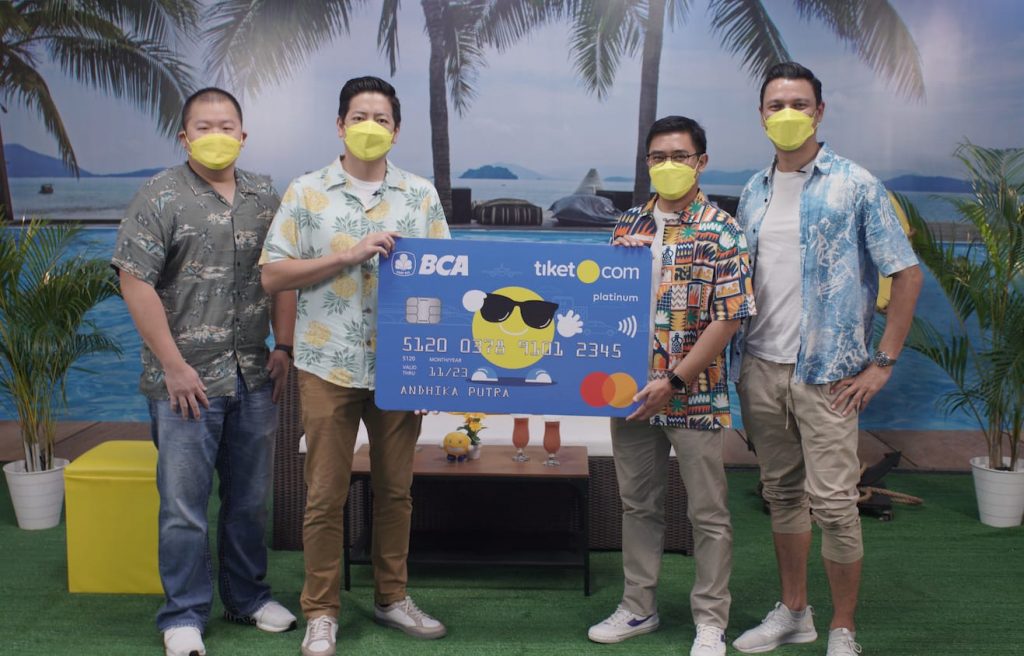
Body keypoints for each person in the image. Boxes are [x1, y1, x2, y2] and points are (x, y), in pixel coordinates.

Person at [730, 62, 923, 656]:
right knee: (782, 495)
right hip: (761, 367)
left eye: (798, 104)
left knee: (837, 506)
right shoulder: (753, 191)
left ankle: (843, 628)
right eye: (776, 105)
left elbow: (906, 273)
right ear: (761, 115)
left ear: (819, 111)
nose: (786, 114)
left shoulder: (856, 185)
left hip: (829, 376)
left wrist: (882, 363)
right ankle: (795, 612)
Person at [259, 76, 450, 656]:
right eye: (360, 117)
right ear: (340, 125)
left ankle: (392, 597)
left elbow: (446, 281)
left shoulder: (419, 195)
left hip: (400, 368)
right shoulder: (306, 192)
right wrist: (347, 255)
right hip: (327, 364)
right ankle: (321, 611)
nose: (371, 127)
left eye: (382, 119)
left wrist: (430, 369)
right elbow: (273, 274)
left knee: (396, 492)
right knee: (325, 495)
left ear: (397, 129)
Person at [113, 87, 298, 656]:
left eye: (226, 126)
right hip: (185, 384)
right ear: (184, 136)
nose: (216, 135)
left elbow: (282, 273)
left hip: (253, 374)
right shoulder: (160, 195)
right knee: (184, 508)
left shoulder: (265, 195)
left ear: (243, 135)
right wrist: (173, 366)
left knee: (249, 501)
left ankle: (247, 597)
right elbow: (134, 282)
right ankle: (183, 614)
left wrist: (284, 345)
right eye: (204, 127)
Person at [588, 115, 756, 656]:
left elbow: (729, 318)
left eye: (679, 156)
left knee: (707, 513)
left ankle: (710, 620)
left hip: (695, 392)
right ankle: (638, 607)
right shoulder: (627, 225)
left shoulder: (722, 230)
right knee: (638, 504)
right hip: (630, 392)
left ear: (701, 162)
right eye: (658, 157)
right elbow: (604, 303)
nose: (668, 165)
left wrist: (675, 378)